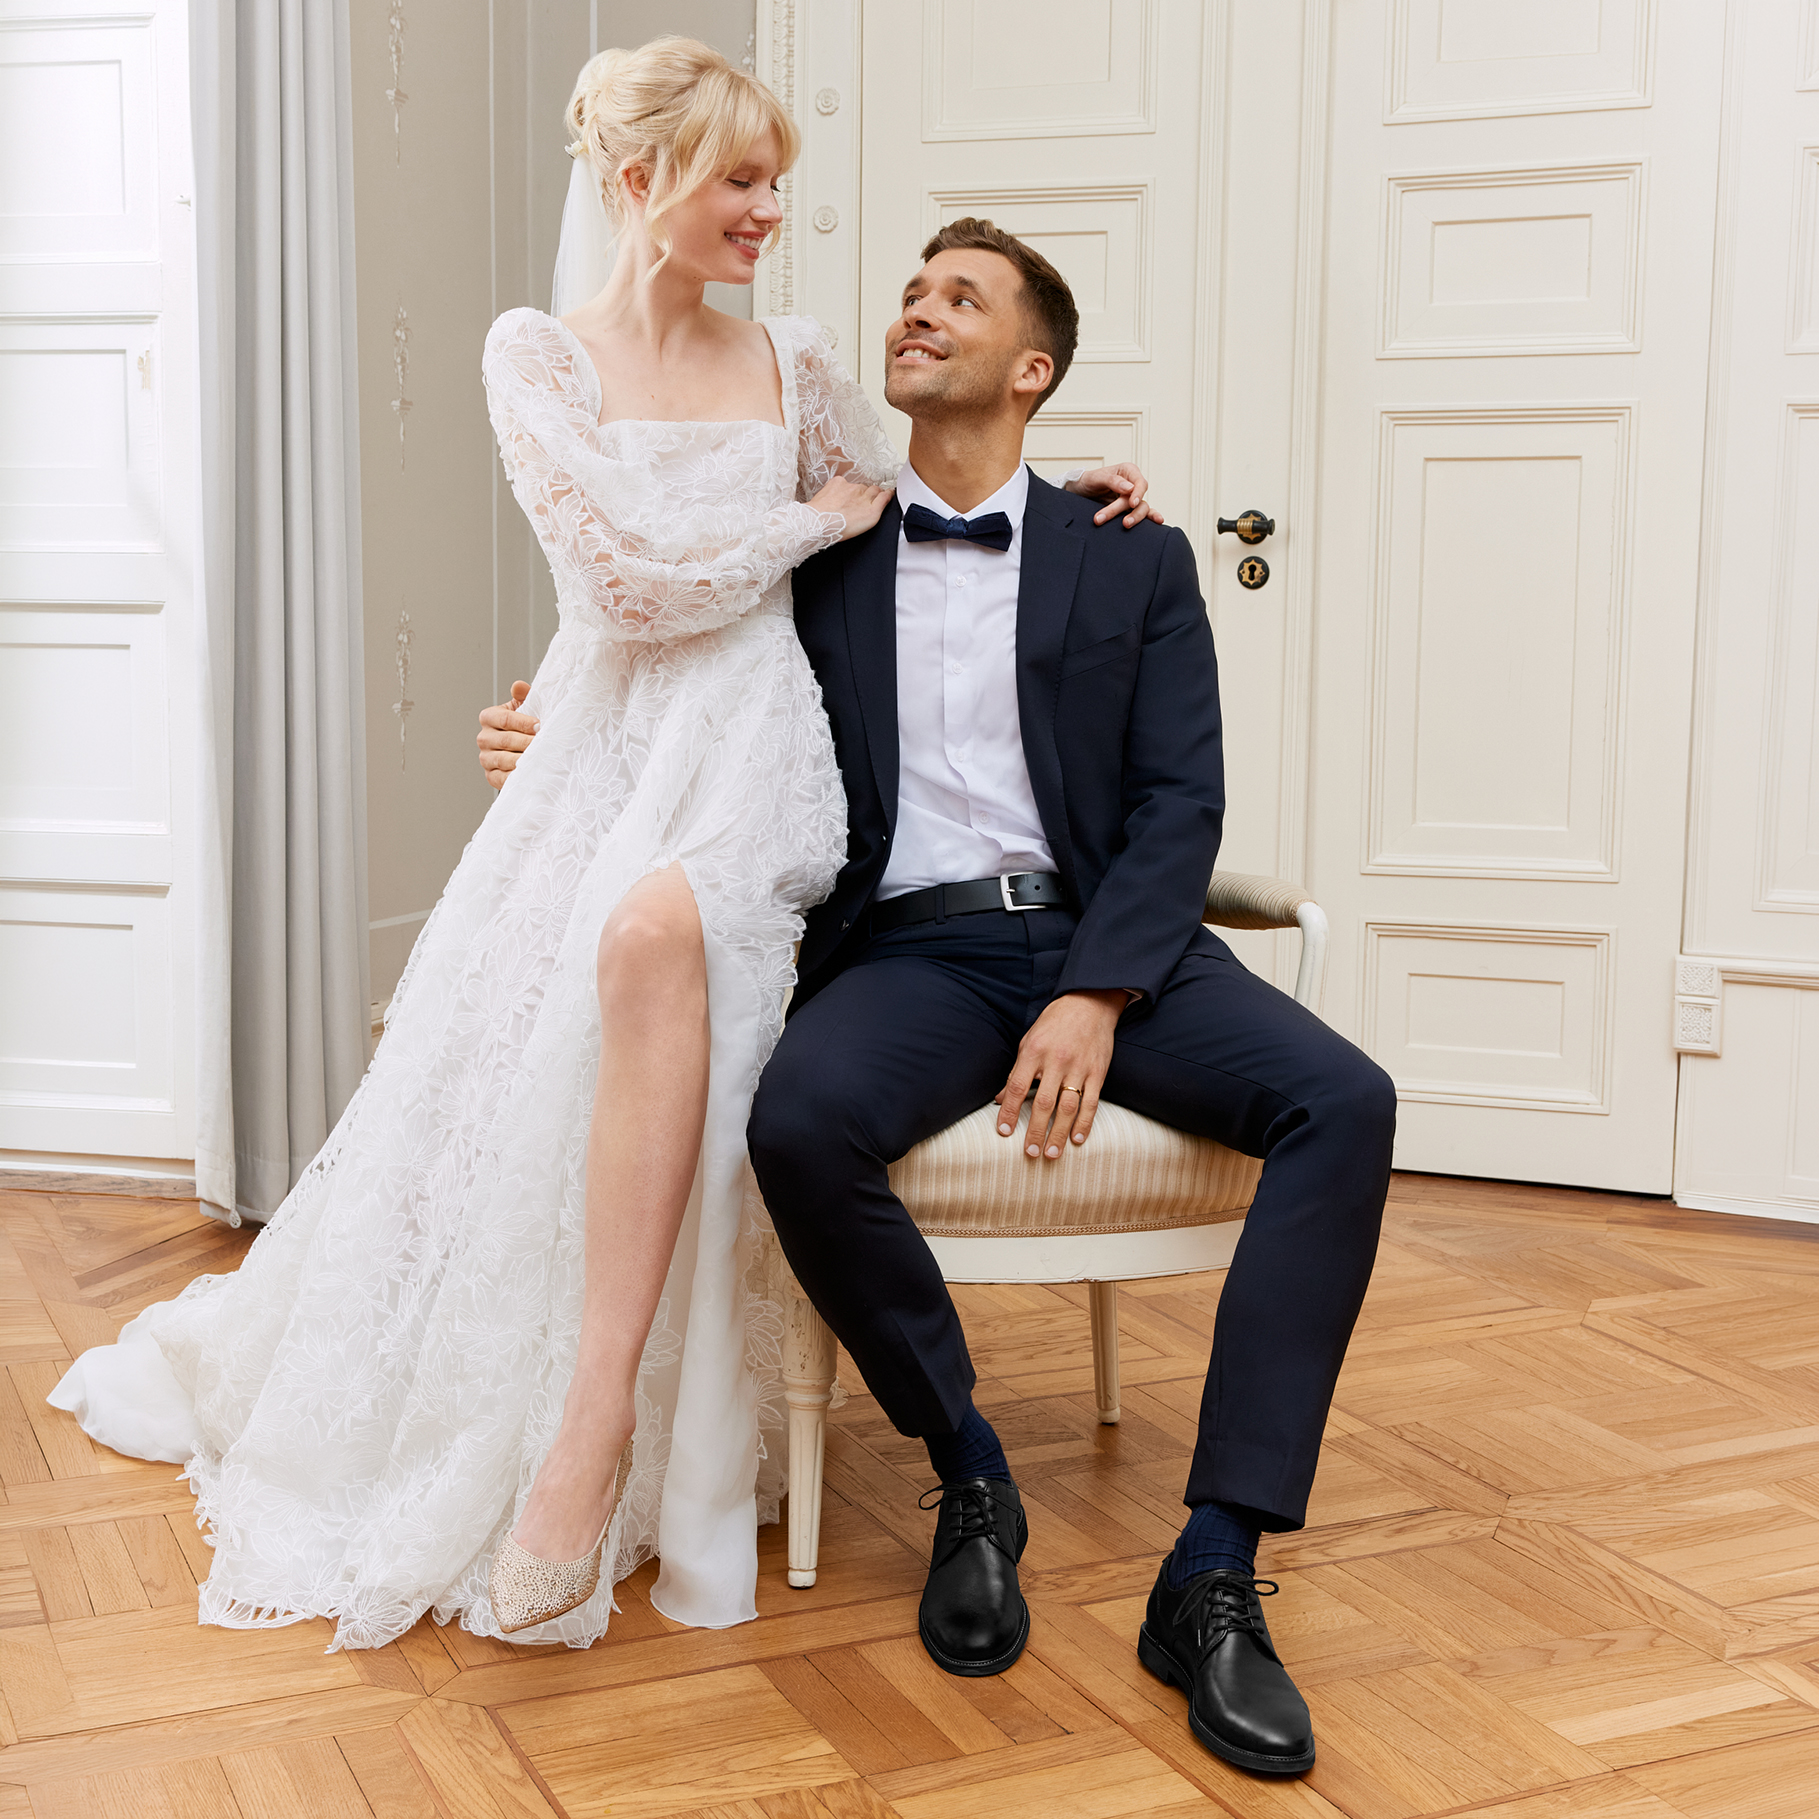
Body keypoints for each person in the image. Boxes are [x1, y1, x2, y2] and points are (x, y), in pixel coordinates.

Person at [47, 38, 1151, 1652]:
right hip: (599, 736)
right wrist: (808, 521)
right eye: (740, 180)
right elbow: (626, 588)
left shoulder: (794, 353)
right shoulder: (534, 355)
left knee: (652, 936)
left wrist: (1085, 494)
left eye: (777, 180)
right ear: (641, 182)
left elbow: (921, 496)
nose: (771, 209)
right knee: (515, 1050)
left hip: (758, 745)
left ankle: (595, 1425)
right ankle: (533, 1408)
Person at [485, 220, 1397, 1775]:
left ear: (1029, 370)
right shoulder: (823, 542)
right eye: (911, 293)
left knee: (1347, 1099)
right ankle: (967, 1467)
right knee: (802, 1122)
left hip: (1117, 946)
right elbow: (658, 636)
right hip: (910, 950)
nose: (916, 311)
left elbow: (1183, 803)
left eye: (957, 301)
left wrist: (1100, 993)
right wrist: (544, 729)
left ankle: (1217, 1566)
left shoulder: (1135, 550)